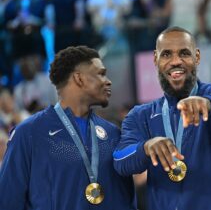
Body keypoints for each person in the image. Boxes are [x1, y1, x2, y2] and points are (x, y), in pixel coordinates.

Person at [113, 26, 211, 210]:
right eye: (166, 54)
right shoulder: (141, 116)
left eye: (184, 53)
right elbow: (120, 160)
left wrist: (208, 104)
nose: (175, 61)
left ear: (197, 57)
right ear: (155, 59)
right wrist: (145, 148)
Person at [0, 46, 136, 209]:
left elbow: (126, 201)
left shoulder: (113, 134)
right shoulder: (29, 133)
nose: (108, 81)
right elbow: (8, 201)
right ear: (79, 79)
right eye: (100, 74)